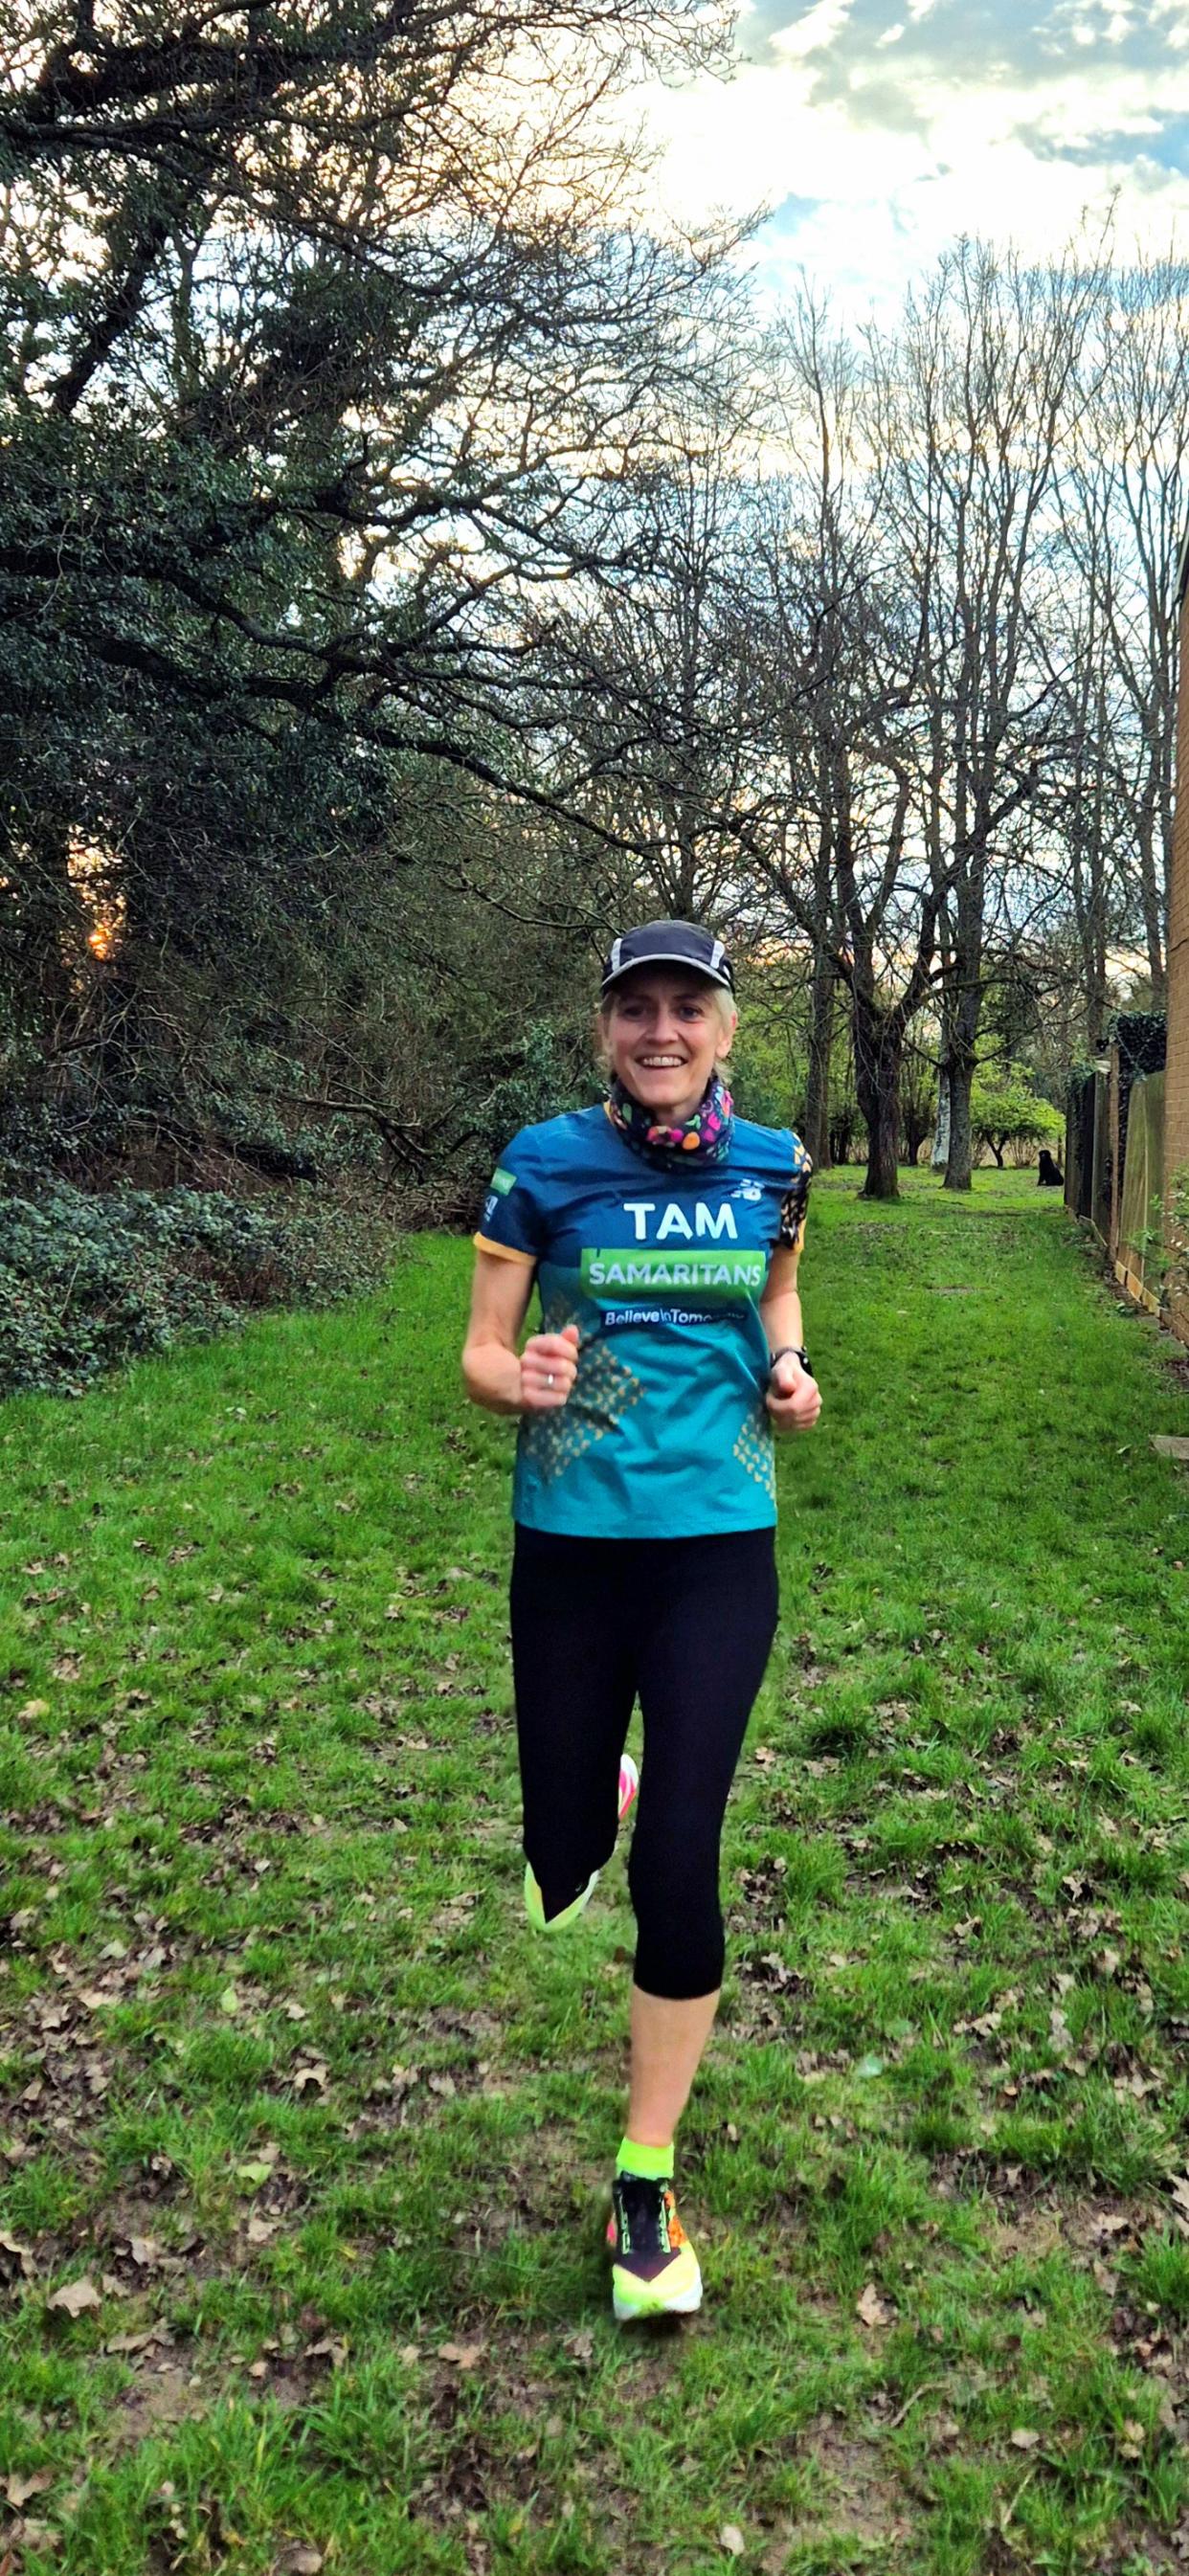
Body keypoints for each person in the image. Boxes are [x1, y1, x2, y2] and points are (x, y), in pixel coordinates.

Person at [460, 920, 820, 2322]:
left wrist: (787, 1366)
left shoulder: (776, 1166)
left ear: (726, 1029)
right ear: (602, 1030)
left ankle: (643, 2175)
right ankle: (590, 1794)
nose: (659, 1032)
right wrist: (521, 1379)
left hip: (716, 1552)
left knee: (681, 1858)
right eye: (634, 1011)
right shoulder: (540, 1163)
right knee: (563, 1859)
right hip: (567, 1552)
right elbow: (480, 1351)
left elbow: (777, 1292)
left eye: (687, 1008)